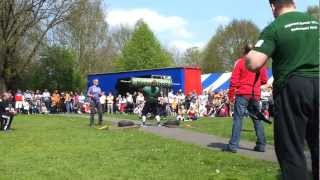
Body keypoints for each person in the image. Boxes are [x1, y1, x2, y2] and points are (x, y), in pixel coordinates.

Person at [245, 1, 319, 179]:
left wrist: (248, 55)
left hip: (293, 87)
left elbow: (254, 63)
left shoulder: (275, 27)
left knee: (291, 147)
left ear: (272, 6)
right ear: (293, 2)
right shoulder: (315, 23)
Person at [223, 43, 268, 153]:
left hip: (243, 93)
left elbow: (233, 81)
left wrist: (230, 95)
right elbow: (264, 80)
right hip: (255, 94)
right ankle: (261, 145)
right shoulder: (260, 63)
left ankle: (233, 145)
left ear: (244, 50)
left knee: (238, 119)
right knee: (257, 119)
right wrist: (255, 83)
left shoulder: (240, 62)